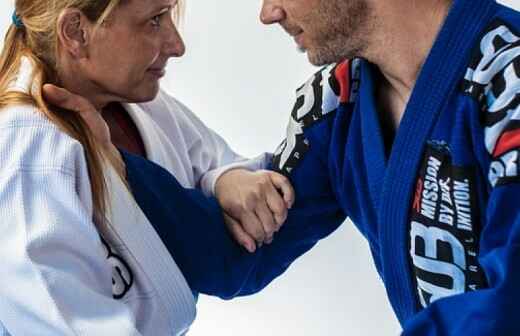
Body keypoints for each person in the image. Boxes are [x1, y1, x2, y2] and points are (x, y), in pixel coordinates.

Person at [0, 0, 340, 335]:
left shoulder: (138, 106)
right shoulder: (28, 153)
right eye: (155, 19)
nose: (177, 45)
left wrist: (226, 179)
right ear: (76, 32)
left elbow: (211, 164)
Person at [251, 0, 520, 334]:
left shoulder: (509, 79)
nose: (268, 13)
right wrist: (221, 179)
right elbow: (246, 244)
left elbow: (510, 303)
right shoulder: (336, 103)